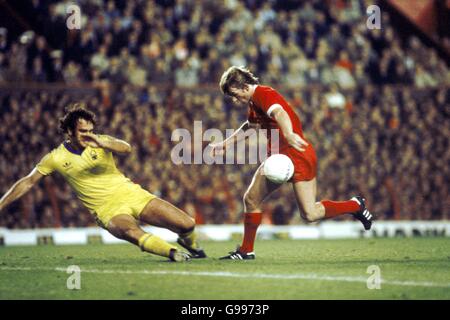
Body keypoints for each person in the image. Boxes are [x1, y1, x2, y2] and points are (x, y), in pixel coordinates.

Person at [0, 104, 206, 262]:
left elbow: (126, 148)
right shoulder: (55, 157)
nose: (87, 134)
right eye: (82, 131)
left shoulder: (100, 141)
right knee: (133, 232)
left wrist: (102, 142)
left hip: (132, 194)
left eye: (90, 130)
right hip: (107, 209)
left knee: (187, 224)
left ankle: (192, 246)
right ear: (69, 131)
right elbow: (28, 182)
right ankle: (172, 253)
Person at [210, 66, 373, 260]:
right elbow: (251, 126)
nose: (235, 100)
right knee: (269, 204)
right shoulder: (254, 102)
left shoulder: (263, 93)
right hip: (291, 155)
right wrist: (226, 143)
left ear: (244, 86)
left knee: (300, 212)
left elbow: (279, 112)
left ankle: (354, 206)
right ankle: (355, 205)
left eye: (235, 95)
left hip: (294, 154)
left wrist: (287, 133)